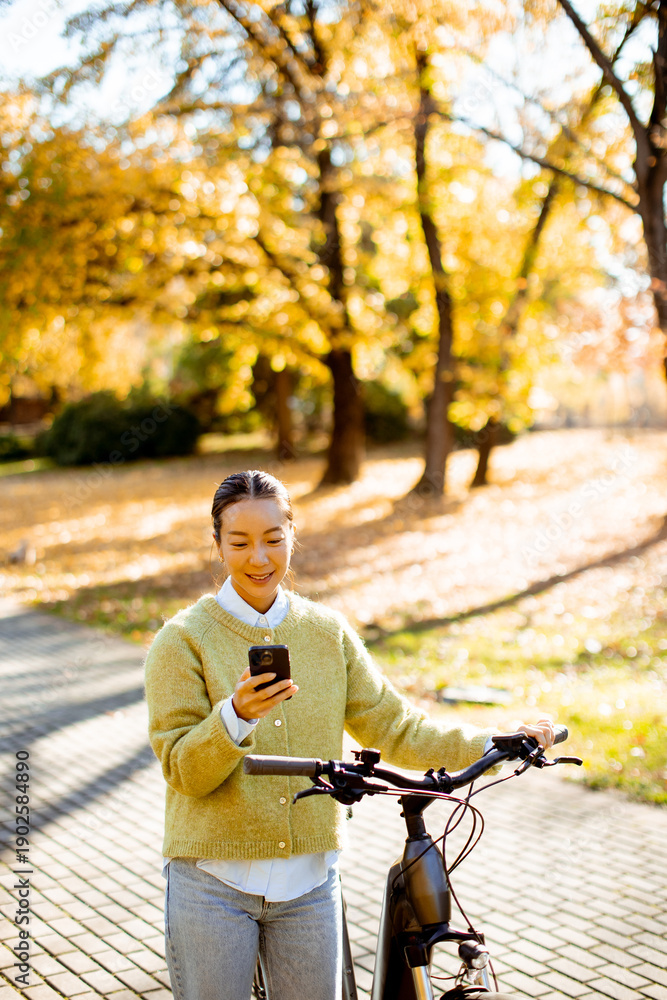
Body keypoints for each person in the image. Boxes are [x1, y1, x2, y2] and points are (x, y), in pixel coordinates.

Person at [144, 469, 555, 1000]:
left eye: (274, 539)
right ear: (217, 544)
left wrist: (495, 743)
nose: (259, 558)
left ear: (292, 535)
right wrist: (235, 716)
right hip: (212, 884)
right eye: (240, 542)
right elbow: (183, 770)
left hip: (309, 885)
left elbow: (397, 725)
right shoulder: (182, 642)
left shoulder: (326, 633)